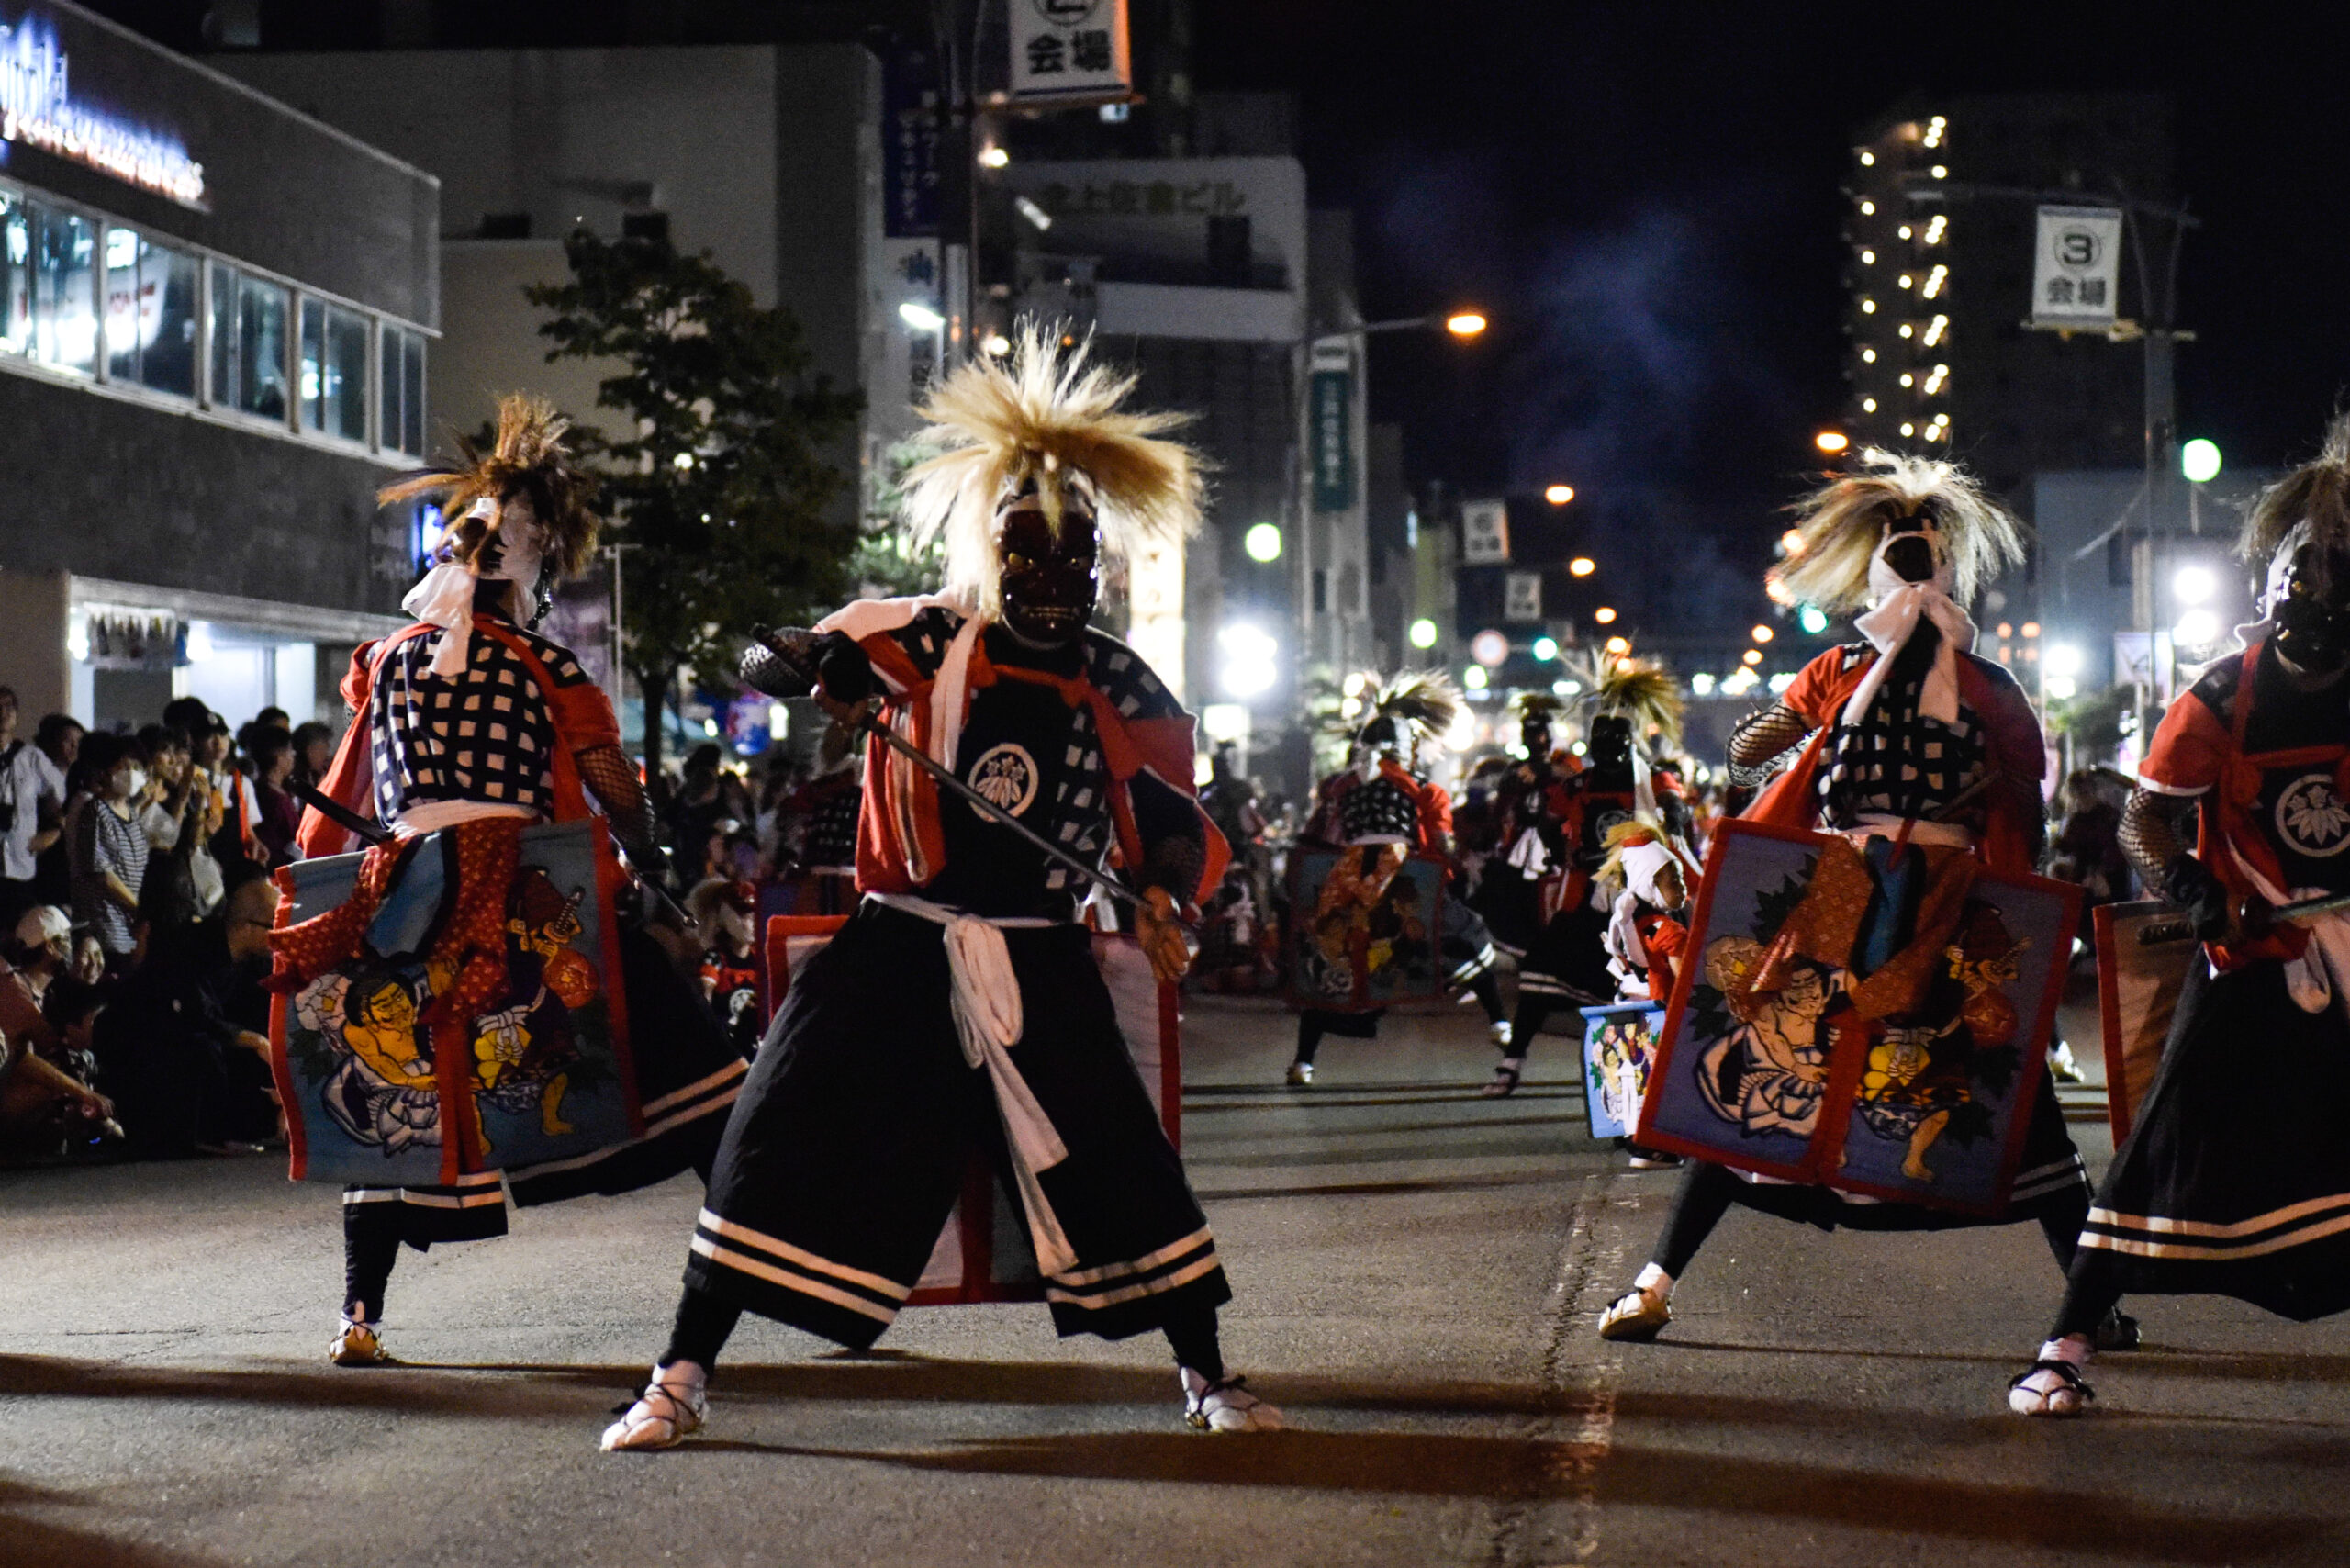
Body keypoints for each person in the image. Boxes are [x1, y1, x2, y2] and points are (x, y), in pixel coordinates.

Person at [602, 326, 1277, 1451]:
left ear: (1098, 566)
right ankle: (677, 1375)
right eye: (1033, 558)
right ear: (997, 554)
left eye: (1076, 563)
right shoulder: (927, 636)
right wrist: (822, 677)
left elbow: (1166, 822)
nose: (1055, 582)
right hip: (900, 946)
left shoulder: (1117, 678)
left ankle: (1206, 1375)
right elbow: (774, 655)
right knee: (768, 1143)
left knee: (1122, 1154)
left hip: (1041, 950)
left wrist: (1162, 893)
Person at [1595, 451, 2112, 1349]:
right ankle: (1654, 1280)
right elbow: (1753, 754)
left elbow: (2025, 786)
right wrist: (1801, 724)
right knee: (1767, 1065)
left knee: (2006, 1089)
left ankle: (2092, 1302)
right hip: (1836, 893)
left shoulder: (1988, 685)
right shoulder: (1836, 671)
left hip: (1946, 895)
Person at [269, 396, 746, 1366]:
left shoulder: (388, 660)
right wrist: (646, 854)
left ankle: (360, 1315)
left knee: (398, 1086)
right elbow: (612, 789)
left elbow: (346, 785)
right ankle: (757, 1253)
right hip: (528, 887)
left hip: (400, 886)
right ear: (532, 561)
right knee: (696, 1069)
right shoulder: (542, 663)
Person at [2008, 416, 2350, 1416]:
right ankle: (2067, 1341)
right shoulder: (2219, 695)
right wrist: (2195, 892)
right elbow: (2146, 818)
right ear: (2277, 598)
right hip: (2253, 950)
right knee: (2167, 1137)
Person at [1284, 673, 1505, 1085]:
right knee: (1467, 933)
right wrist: (1455, 865)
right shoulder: (1424, 788)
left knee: (1337, 975)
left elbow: (1313, 840)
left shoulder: (1339, 786)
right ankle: (1500, 1025)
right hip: (1401, 880)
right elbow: (1439, 843)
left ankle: (1302, 1062)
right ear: (1409, 749)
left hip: (1347, 880)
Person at [1487, 661, 1693, 1097]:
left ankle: (1641, 1089)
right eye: (1599, 744)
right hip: (1583, 900)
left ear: (1629, 744)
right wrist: (1554, 846)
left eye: (1614, 743)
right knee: (1539, 972)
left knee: (1640, 991)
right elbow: (1549, 817)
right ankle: (1511, 1063)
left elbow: (1677, 807)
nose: (1606, 752)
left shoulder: (1653, 781)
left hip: (1639, 905)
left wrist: (1672, 813)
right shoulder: (1579, 784)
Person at [92, 862, 279, 1159]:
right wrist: (254, 1040)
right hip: (140, 1041)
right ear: (245, 926)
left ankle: (249, 1128)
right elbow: (194, 1013)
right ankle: (204, 1135)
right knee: (202, 1045)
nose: (279, 935)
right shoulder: (190, 947)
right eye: (273, 926)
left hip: (192, 1034)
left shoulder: (253, 962)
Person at [0, 906, 114, 1158]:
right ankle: (101, 1129)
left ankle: (80, 1132)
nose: (72, 948)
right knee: (68, 1062)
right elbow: (24, 1058)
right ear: (50, 947)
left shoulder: (44, 992)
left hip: (12, 1091)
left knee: (75, 1061)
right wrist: (82, 1092)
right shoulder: (15, 990)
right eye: (67, 940)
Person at [71, 732, 149, 977]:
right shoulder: (96, 811)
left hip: (131, 926)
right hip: (107, 924)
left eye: (137, 767)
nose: (132, 772)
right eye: (124, 766)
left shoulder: (131, 812)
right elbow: (102, 873)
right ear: (105, 772)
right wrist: (138, 906)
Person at [0, 689, 67, 931]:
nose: (3, 713)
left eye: (9, 707)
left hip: (21, 864)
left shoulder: (30, 758)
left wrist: (55, 830)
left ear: (16, 715)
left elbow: (64, 795)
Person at [29, 713, 84, 909]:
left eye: (79, 741)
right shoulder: (36, 782)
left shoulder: (80, 783)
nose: (74, 747)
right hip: (46, 870)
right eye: (67, 741)